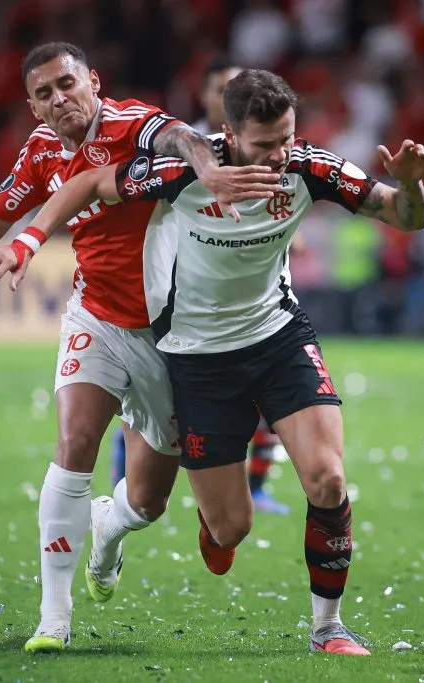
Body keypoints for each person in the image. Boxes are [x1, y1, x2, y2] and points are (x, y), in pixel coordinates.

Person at [0, 69, 424, 656]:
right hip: (197, 358)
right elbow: (90, 183)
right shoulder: (184, 174)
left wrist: (413, 186)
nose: (278, 155)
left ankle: (328, 628)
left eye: (287, 139)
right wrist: (30, 238)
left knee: (328, 478)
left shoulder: (311, 168)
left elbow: (403, 215)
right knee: (229, 531)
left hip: (278, 338)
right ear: (229, 135)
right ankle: (160, 521)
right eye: (265, 144)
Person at [0, 43, 280, 653]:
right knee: (75, 443)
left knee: (145, 501)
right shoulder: (39, 153)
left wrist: (204, 164)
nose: (59, 99)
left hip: (171, 339)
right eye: (44, 93)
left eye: (67, 84)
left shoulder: (133, 124)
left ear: (93, 80)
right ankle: (53, 619)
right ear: (33, 106)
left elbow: (182, 138)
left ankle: (108, 531)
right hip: (94, 318)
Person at [112, 53, 292, 516]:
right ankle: (127, 480)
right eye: (220, 89)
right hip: (186, 303)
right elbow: (125, 195)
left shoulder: (270, 148)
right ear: (209, 97)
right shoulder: (181, 147)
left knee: (271, 394)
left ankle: (257, 487)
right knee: (156, 398)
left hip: (258, 288)